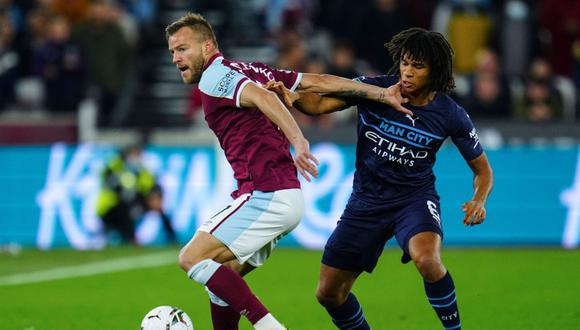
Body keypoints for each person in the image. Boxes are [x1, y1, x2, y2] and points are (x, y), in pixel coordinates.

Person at [165, 13, 410, 330]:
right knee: (222, 281)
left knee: (191, 258)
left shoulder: (216, 75)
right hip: (284, 197)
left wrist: (299, 140)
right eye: (172, 51)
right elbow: (318, 82)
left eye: (183, 49)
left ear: (208, 45)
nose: (175, 58)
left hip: (265, 194)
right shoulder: (253, 69)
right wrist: (380, 93)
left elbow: (265, 97)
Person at [267, 27, 493, 329]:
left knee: (427, 260)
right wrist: (292, 98)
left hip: (414, 199)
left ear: (435, 71)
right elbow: (319, 104)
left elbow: (483, 170)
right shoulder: (376, 90)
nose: (408, 72)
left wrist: (479, 199)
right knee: (328, 293)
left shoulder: (451, 115)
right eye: (405, 63)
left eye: (418, 66)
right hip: (365, 202)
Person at [96, 145, 176, 245]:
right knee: (125, 210)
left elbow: (151, 184)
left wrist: (154, 195)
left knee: (157, 207)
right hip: (109, 207)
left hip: (129, 203)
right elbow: (117, 189)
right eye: (135, 155)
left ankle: (172, 237)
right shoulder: (115, 168)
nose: (137, 158)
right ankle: (131, 239)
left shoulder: (139, 170)